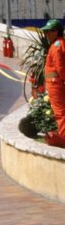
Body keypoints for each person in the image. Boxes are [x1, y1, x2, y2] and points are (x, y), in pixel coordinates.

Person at [41, 19, 65, 147]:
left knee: (60, 112)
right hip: (55, 83)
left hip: (55, 84)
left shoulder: (56, 46)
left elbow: (60, 66)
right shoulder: (58, 44)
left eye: (48, 31)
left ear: (56, 32)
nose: (46, 34)